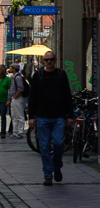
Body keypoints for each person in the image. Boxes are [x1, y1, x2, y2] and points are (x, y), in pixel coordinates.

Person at [27, 51, 74, 185]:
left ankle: (57, 167)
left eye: (51, 59)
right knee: (45, 147)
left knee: (59, 143)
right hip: (42, 117)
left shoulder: (61, 74)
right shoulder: (38, 75)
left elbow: (67, 96)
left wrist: (70, 115)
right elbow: (32, 97)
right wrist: (31, 117)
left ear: (55, 60)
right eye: (47, 60)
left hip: (59, 116)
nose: (49, 62)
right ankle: (48, 174)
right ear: (43, 61)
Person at [8, 64, 27, 138]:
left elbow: (20, 88)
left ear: (13, 69)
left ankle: (20, 132)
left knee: (19, 116)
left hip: (17, 99)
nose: (10, 69)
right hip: (14, 98)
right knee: (14, 116)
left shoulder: (18, 77)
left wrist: (15, 97)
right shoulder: (14, 77)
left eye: (11, 67)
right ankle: (15, 132)